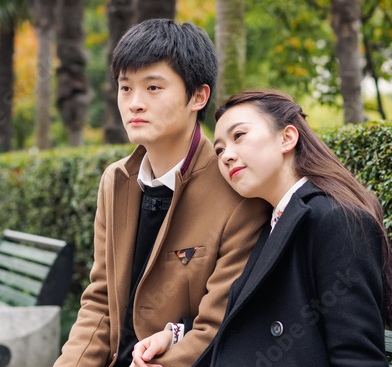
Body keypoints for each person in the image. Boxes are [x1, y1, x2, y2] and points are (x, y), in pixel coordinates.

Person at [53, 20, 269, 367]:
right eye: (126, 88)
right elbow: (100, 302)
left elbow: (217, 324)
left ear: (198, 96)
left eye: (153, 88)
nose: (134, 103)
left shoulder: (235, 185)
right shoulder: (116, 181)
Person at [131, 89, 392, 367]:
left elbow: (357, 357)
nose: (226, 156)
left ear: (287, 138)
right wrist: (174, 335)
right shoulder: (271, 221)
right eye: (219, 149)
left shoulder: (334, 219)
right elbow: (248, 321)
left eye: (239, 136)